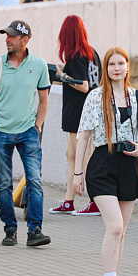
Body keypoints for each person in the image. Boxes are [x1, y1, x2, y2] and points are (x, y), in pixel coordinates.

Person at [72, 47, 138, 276]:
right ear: (105, 69)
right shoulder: (95, 97)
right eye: (111, 64)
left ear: (128, 67)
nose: (116, 68)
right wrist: (77, 173)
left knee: (122, 230)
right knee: (115, 226)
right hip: (102, 165)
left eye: (121, 64)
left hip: (130, 165)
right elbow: (83, 136)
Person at [0, 20, 51, 247]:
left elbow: (43, 100)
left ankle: (35, 231)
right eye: (6, 35)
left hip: (28, 132)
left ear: (25, 40)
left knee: (34, 181)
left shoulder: (39, 65)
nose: (7, 39)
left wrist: (37, 126)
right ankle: (10, 230)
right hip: (1, 132)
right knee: (4, 183)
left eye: (12, 36)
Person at [49, 15, 102, 216]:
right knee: (72, 154)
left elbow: (83, 85)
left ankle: (95, 201)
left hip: (79, 112)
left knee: (83, 157)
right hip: (88, 111)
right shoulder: (92, 53)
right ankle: (68, 201)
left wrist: (62, 76)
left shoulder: (76, 56)